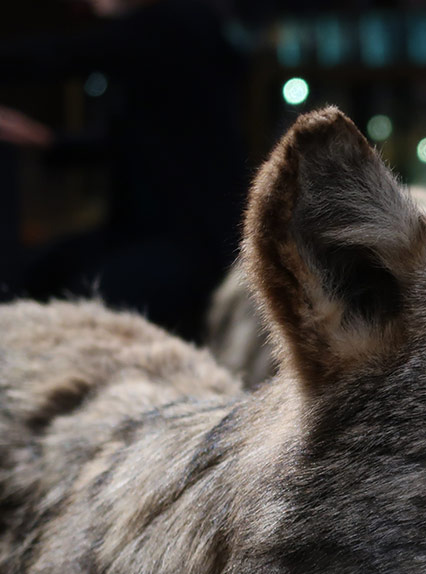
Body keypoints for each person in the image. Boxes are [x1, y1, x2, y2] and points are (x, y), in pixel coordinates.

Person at [0, 0, 247, 341]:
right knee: (36, 276)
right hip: (145, 232)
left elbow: (67, 54)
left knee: (78, 307)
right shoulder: (160, 39)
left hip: (188, 241)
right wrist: (46, 141)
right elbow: (129, 141)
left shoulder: (175, 22)